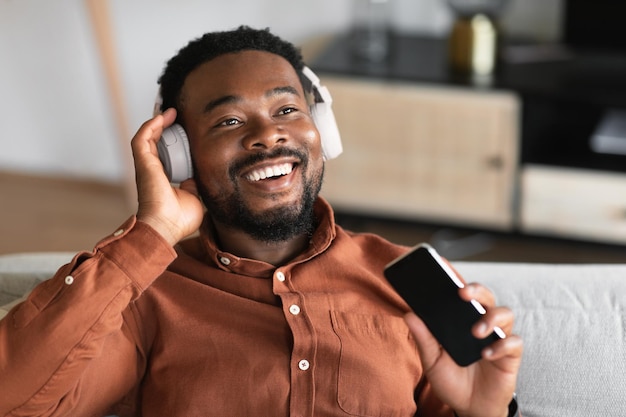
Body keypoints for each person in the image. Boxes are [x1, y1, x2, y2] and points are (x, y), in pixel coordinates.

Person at [0, 26, 522, 417]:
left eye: (287, 110)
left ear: (322, 129)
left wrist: (484, 413)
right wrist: (150, 234)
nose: (268, 136)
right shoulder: (144, 295)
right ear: (179, 156)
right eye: (228, 121)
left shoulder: (405, 282)